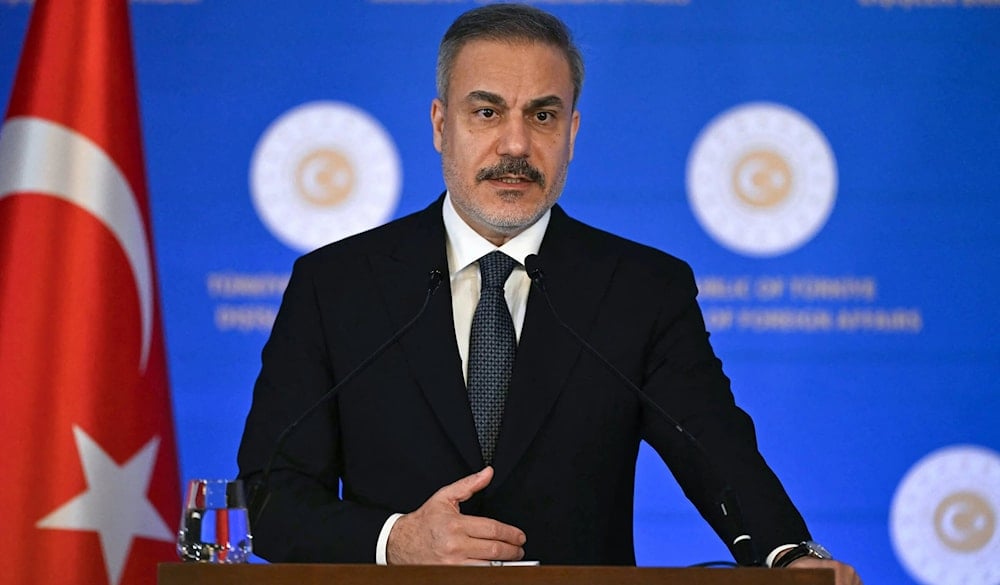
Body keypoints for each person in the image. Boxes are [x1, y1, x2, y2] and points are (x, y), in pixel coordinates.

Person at [237, 4, 862, 583]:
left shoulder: (641, 288)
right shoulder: (337, 285)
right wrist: (395, 541)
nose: (515, 145)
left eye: (542, 115)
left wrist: (788, 551)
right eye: (486, 112)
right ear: (439, 124)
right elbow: (271, 493)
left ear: (572, 130)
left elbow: (713, 446)